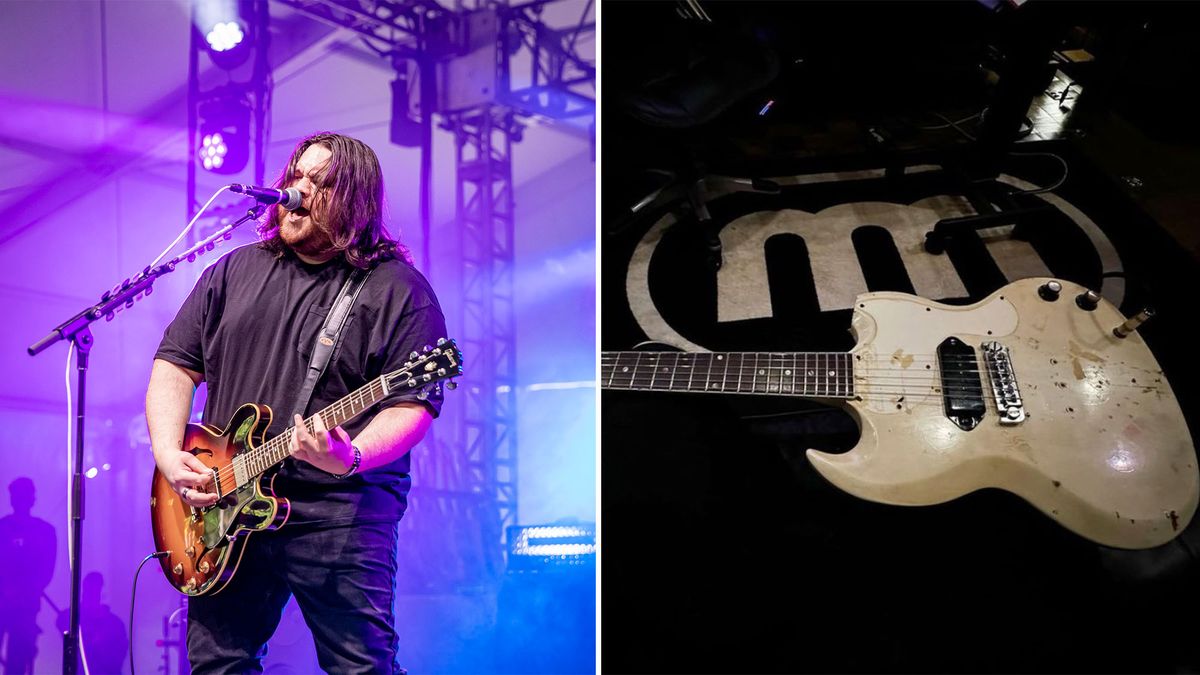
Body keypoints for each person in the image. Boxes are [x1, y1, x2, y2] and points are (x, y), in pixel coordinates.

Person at [146, 132, 447, 674]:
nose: (297, 190)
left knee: (361, 667)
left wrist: (350, 456)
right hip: (224, 510)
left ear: (356, 200)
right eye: (295, 176)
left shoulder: (397, 290)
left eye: (320, 183)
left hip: (340, 514)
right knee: (220, 666)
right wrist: (169, 453)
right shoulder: (233, 271)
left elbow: (412, 404)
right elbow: (174, 364)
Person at [0, 477, 56, 674]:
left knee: (17, 661)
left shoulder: (44, 532)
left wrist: (22, 591)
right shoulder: (4, 528)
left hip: (25, 607)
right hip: (12, 604)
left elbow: (46, 571)